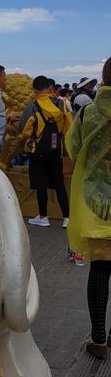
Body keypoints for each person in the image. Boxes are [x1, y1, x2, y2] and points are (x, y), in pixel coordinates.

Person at [65, 58, 111, 355]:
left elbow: (73, 148)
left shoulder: (88, 114)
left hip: (98, 204)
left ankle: (98, 339)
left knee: (100, 270)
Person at [18, 75, 71, 229]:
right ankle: (66, 218)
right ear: (49, 88)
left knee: (41, 183)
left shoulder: (32, 106)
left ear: (34, 90)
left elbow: (24, 130)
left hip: (38, 149)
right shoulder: (62, 104)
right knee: (59, 182)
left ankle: (43, 217)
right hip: (57, 148)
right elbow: (69, 127)